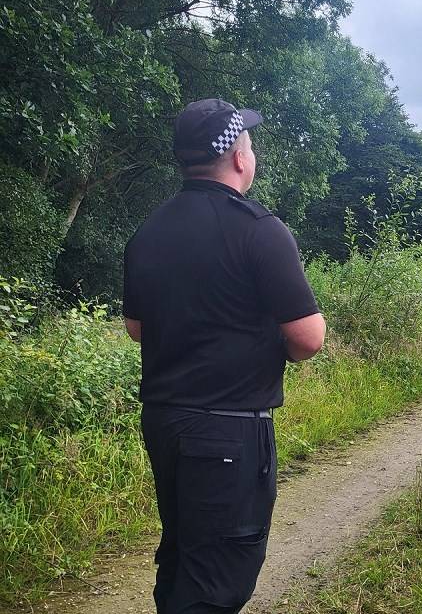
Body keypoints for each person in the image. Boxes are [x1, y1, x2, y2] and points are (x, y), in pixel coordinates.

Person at [122, 98, 326, 613]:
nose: (251, 153)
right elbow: (308, 339)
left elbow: (136, 329)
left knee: (185, 554)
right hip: (228, 432)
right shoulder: (260, 230)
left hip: (165, 423)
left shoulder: (149, 232)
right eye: (249, 144)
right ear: (238, 157)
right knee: (217, 583)